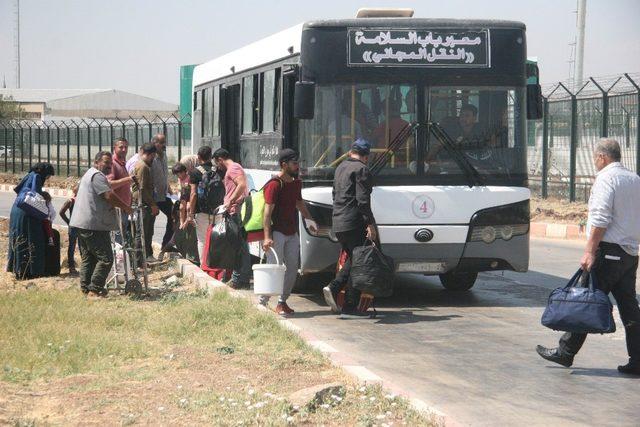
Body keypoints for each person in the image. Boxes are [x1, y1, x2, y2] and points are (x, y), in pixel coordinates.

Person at [536, 139, 640, 376]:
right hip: (629, 253)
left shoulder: (606, 178)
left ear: (602, 157)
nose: (595, 163)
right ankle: (638, 358)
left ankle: (565, 351)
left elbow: (601, 218)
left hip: (609, 251)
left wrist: (589, 250)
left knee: (586, 300)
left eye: (595, 158)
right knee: (629, 307)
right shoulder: (635, 179)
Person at [323, 138, 378, 318]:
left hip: (338, 221)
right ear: (366, 157)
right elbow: (363, 201)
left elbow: (334, 195)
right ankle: (348, 305)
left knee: (353, 260)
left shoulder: (341, 168)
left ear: (350, 151)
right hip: (354, 222)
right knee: (359, 261)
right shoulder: (362, 169)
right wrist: (370, 224)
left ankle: (338, 292)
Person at [260, 149, 317, 315]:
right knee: (274, 268)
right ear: (284, 164)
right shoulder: (274, 185)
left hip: (291, 233)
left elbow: (299, 203)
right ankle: (262, 302)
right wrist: (266, 238)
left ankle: (282, 302)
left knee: (292, 269)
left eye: (298, 163)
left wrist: (310, 220)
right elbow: (267, 213)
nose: (297, 166)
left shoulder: (296, 182)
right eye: (294, 163)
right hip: (276, 233)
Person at [70, 151, 133, 297]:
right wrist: (126, 207)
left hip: (82, 223)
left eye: (111, 163)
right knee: (106, 259)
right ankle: (94, 289)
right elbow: (108, 195)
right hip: (93, 224)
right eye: (106, 162)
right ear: (97, 162)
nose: (109, 166)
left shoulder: (88, 174)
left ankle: (86, 288)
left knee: (89, 258)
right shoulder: (97, 176)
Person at [7, 162, 55, 280]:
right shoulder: (37, 177)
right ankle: (30, 271)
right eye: (48, 176)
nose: (47, 178)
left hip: (18, 209)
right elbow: (35, 195)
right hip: (27, 212)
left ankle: (18, 268)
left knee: (19, 238)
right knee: (32, 238)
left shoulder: (30, 175)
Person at [213, 148, 251, 288]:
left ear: (220, 160)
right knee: (239, 246)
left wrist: (230, 201)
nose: (217, 167)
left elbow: (242, 185)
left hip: (236, 211)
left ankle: (239, 279)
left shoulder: (233, 168)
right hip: (234, 210)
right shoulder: (235, 167)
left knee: (239, 246)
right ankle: (239, 279)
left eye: (217, 163)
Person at [188, 146, 225, 263]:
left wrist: (191, 214)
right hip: (218, 211)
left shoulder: (195, 172)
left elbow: (193, 194)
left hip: (202, 212)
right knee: (217, 239)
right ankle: (217, 267)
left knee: (202, 240)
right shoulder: (219, 170)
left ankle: (204, 267)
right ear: (210, 156)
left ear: (198, 157)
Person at [131, 143, 159, 263]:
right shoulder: (143, 167)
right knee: (141, 233)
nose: (153, 159)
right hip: (143, 204)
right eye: (153, 156)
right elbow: (142, 189)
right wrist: (153, 205)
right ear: (150, 154)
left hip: (145, 203)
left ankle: (144, 257)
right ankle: (138, 261)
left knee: (147, 232)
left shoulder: (144, 165)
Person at [149, 134, 175, 258]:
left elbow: (164, 174)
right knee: (149, 225)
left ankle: (166, 245)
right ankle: (148, 253)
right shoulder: (151, 158)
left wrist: (168, 187)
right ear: (154, 143)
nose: (164, 145)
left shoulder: (163, 156)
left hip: (163, 195)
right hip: (153, 197)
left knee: (174, 215)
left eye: (165, 142)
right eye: (161, 142)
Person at [106, 137, 134, 242]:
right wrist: (128, 179)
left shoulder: (122, 163)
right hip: (116, 210)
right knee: (116, 241)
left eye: (126, 147)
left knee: (121, 239)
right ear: (114, 148)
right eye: (121, 147)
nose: (124, 150)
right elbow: (109, 185)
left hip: (124, 209)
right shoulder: (112, 164)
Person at [59, 183, 79, 274]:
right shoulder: (71, 201)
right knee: (72, 246)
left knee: (81, 247)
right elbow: (61, 212)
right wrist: (68, 222)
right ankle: (71, 266)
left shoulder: (80, 200)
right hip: (74, 226)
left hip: (80, 226)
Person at [42, 191, 61, 277]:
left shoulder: (43, 204)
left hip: (45, 222)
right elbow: (53, 213)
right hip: (47, 221)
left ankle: (50, 239)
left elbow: (52, 213)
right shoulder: (47, 204)